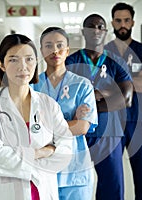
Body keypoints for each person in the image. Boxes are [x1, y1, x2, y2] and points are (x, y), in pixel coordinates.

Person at [0, 34, 73, 200]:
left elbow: (65, 150)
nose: (23, 66)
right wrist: (42, 152)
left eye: (29, 59)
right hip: (6, 194)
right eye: (13, 59)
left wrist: (18, 158)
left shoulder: (48, 105)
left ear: (36, 62)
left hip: (43, 191)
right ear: (1, 64)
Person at [65, 14, 134, 200]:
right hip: (77, 135)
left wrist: (90, 97)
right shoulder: (70, 62)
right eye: (91, 27)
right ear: (83, 32)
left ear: (105, 31)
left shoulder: (115, 61)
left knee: (112, 187)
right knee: (75, 186)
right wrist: (110, 92)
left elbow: (126, 99)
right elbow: (68, 98)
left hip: (109, 134)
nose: (95, 30)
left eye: (100, 26)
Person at [32, 27, 98, 200]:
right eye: (48, 45)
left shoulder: (83, 85)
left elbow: (83, 127)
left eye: (60, 45)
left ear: (67, 51)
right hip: (42, 170)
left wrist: (45, 123)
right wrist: (71, 120)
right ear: (41, 50)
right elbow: (30, 127)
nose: (55, 50)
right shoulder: (32, 87)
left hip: (76, 172)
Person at [104, 3, 142, 200]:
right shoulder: (104, 52)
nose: (122, 24)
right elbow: (100, 89)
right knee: (111, 181)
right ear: (112, 23)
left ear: (133, 22)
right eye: (118, 21)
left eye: (127, 20)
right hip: (111, 124)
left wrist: (118, 82)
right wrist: (136, 80)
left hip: (139, 124)